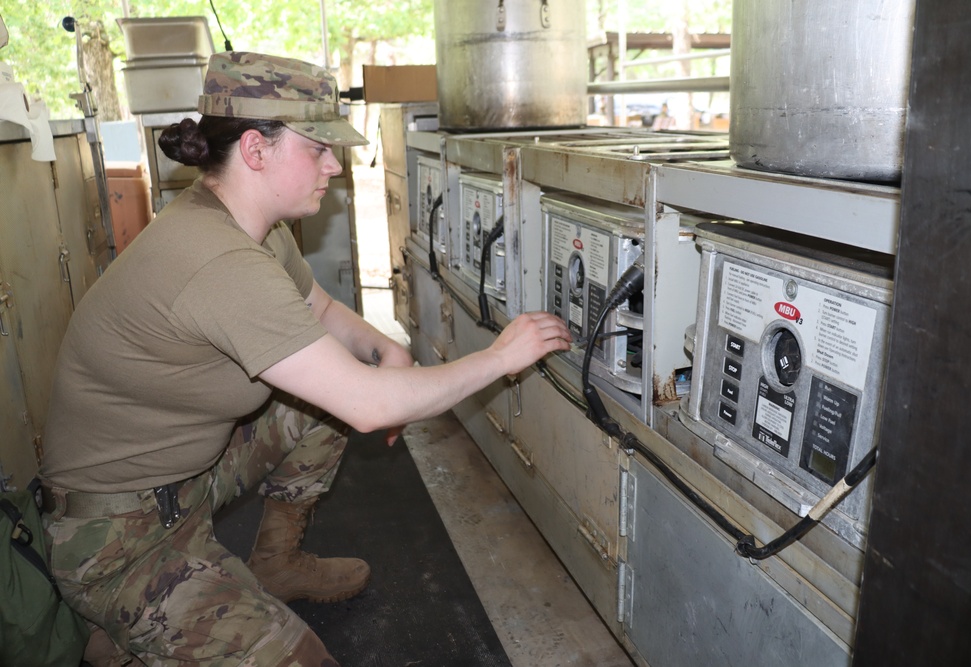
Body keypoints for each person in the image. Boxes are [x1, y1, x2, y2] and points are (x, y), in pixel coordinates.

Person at [38, 51, 571, 666]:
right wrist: (500, 358)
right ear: (256, 151)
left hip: (185, 480)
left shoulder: (250, 226)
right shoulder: (220, 263)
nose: (334, 166)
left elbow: (317, 312)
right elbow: (368, 406)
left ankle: (274, 567)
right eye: (317, 147)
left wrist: (385, 348)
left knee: (323, 406)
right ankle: (129, 620)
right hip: (116, 536)